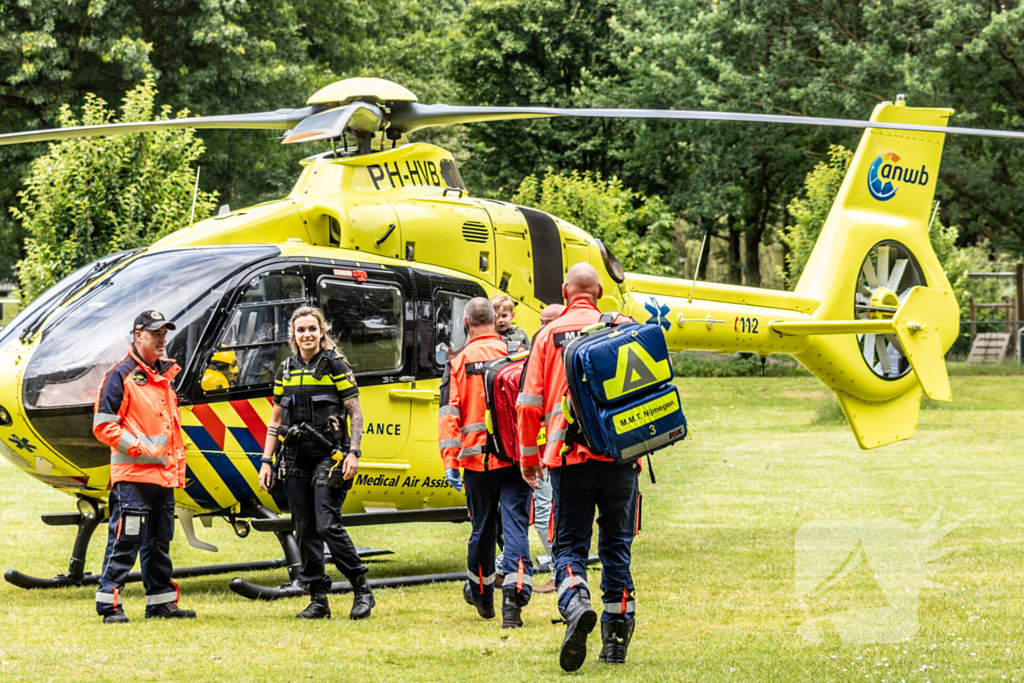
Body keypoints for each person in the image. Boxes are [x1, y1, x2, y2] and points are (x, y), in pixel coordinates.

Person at [517, 265, 639, 670]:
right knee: (616, 548)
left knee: (569, 545)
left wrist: (528, 458)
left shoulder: (547, 335)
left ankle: (575, 603)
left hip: (569, 460)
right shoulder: (622, 327)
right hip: (621, 458)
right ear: (600, 291)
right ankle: (615, 642)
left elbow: (528, 405)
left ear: (565, 291)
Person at [258, 306, 374, 620]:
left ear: (321, 332)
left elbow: (356, 412)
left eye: (312, 329)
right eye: (301, 330)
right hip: (295, 456)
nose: (307, 334)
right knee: (305, 528)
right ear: (293, 335)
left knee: (327, 524)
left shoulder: (335, 364)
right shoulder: (285, 369)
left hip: (330, 455)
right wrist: (266, 461)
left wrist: (354, 452)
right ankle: (318, 599)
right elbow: (276, 420)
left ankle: (361, 589)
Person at [92, 310, 194, 623]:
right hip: (133, 477)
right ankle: (110, 606)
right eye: (155, 333)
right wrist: (140, 449)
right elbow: (103, 426)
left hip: (163, 477)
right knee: (126, 540)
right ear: (138, 335)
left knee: (159, 542)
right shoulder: (121, 375)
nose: (162, 339)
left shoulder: (164, 376)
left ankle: (160, 603)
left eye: (164, 333)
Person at [438, 297, 534, 628]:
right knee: (515, 525)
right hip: (514, 458)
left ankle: (482, 596)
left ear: (465, 323)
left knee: (482, 528)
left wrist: (450, 461)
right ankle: (514, 599)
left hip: (476, 461)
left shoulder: (458, 361)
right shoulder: (515, 353)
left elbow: (449, 414)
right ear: (495, 320)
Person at [497, 302, 564, 593]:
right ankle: (502, 567)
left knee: (544, 511)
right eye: (540, 322)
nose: (542, 328)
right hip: (536, 447)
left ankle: (558, 570)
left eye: (548, 322)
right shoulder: (539, 353)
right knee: (524, 513)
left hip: (550, 448)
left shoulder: (554, 356)